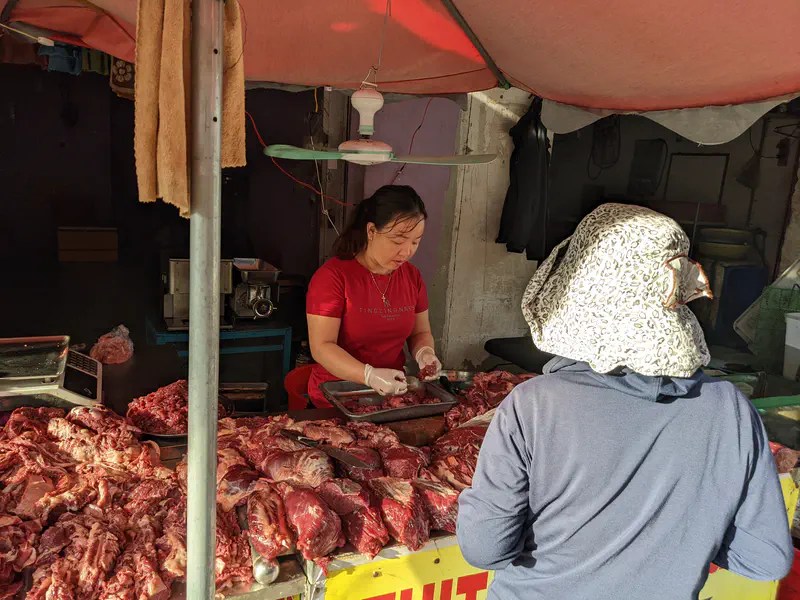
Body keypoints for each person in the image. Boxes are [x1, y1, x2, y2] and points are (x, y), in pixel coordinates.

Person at [457, 203, 793, 600]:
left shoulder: (534, 405)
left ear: (580, 290)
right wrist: (680, 534)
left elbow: (484, 550)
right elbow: (765, 558)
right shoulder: (730, 410)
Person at [305, 185, 442, 407]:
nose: (406, 252)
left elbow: (420, 332)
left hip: (391, 396)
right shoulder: (333, 277)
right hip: (337, 397)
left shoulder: (412, 276)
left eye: (415, 242)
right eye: (398, 241)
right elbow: (322, 346)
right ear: (371, 231)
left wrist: (425, 354)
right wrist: (368, 375)